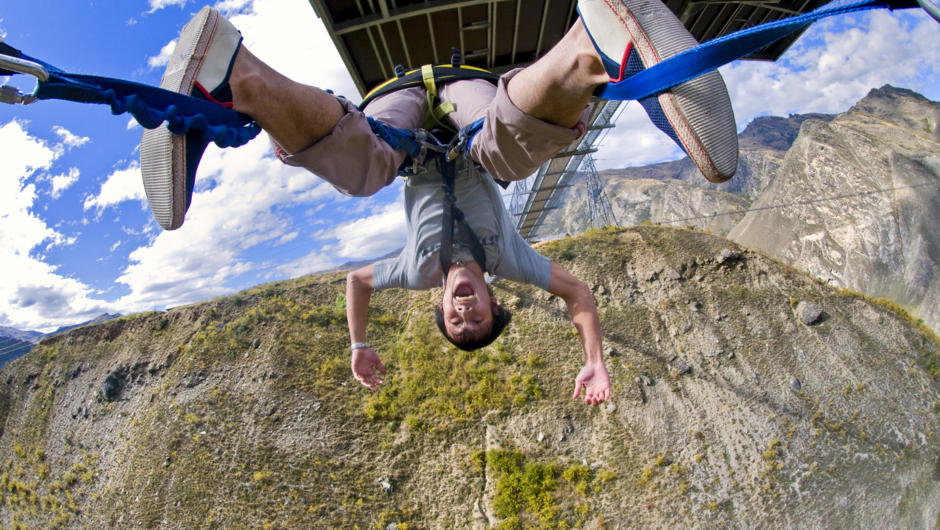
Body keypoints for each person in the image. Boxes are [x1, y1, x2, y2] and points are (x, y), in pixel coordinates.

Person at [140, 0, 739, 405]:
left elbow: (357, 281)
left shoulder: (418, 270)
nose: (464, 314)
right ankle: (595, 45)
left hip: (399, 110)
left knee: (368, 167)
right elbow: (578, 293)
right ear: (493, 299)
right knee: (500, 154)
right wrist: (596, 358)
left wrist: (359, 343)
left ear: (443, 309)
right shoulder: (510, 258)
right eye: (478, 318)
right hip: (465, 100)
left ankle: (229, 76)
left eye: (455, 323)